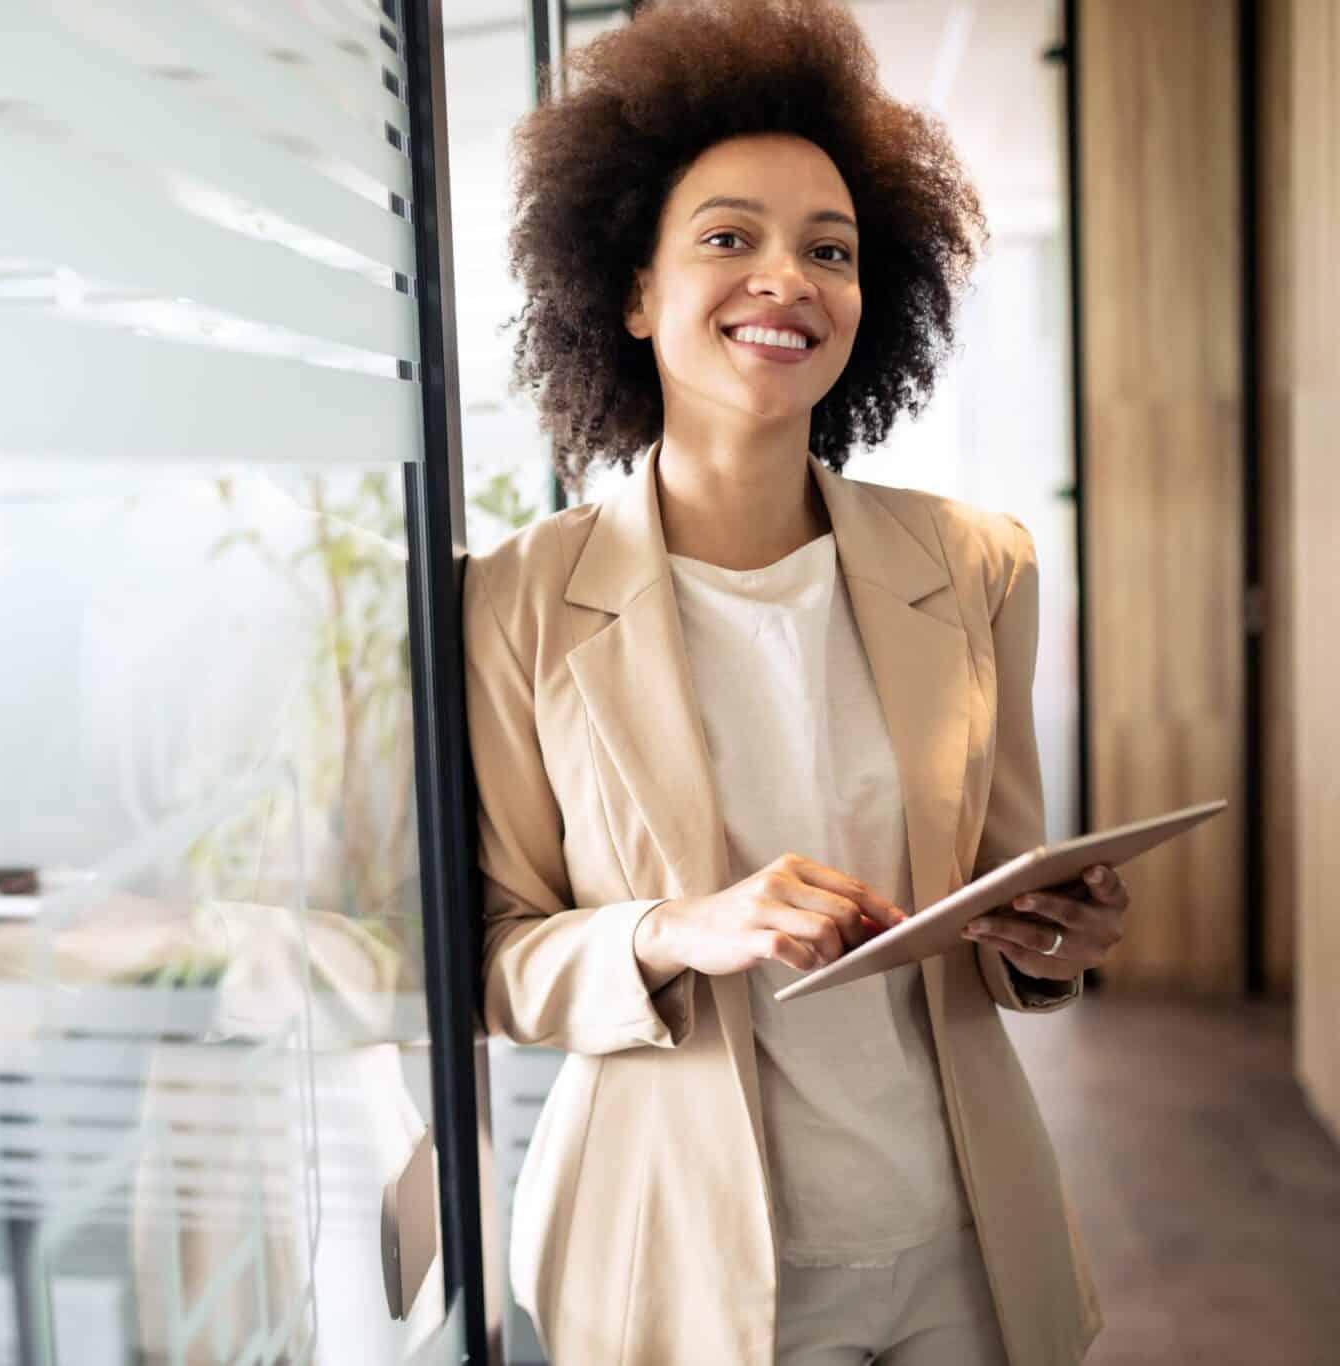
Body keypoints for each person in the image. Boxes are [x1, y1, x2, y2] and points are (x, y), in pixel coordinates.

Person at [464, 1, 1126, 1362]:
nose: (790, 278)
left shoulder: (976, 565)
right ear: (633, 291)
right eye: (728, 238)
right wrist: (674, 928)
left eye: (831, 249)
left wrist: (1055, 939)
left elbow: (1009, 913)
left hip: (964, 1241)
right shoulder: (517, 599)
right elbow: (494, 955)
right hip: (690, 1262)